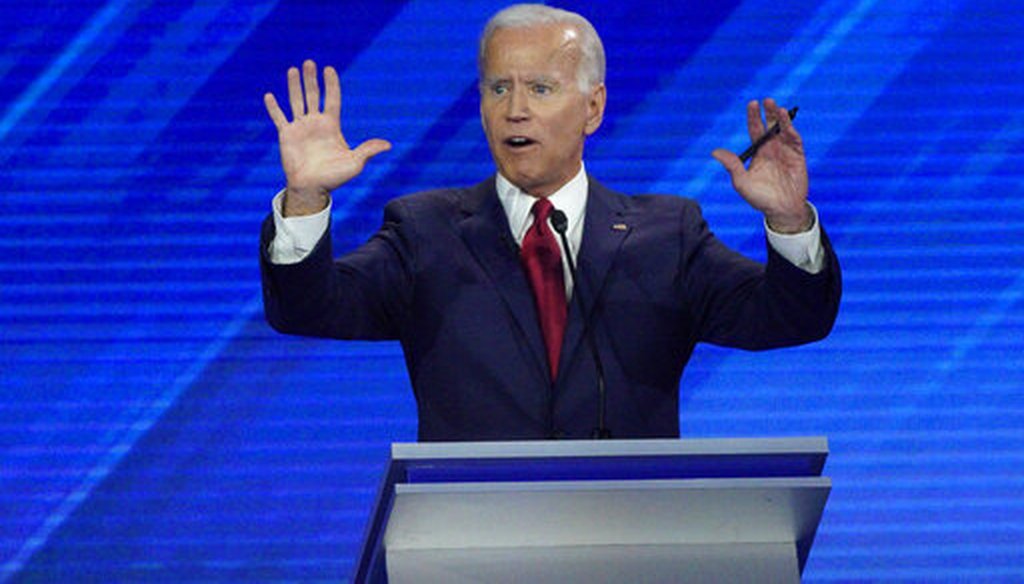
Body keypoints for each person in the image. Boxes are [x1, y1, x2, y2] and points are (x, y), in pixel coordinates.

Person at [259, 4, 841, 441]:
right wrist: (306, 198)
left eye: (540, 88)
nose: (516, 109)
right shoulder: (425, 231)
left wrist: (789, 220)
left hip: (628, 544)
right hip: (467, 548)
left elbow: (790, 319)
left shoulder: (669, 234)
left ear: (593, 107)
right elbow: (309, 308)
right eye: (498, 88)